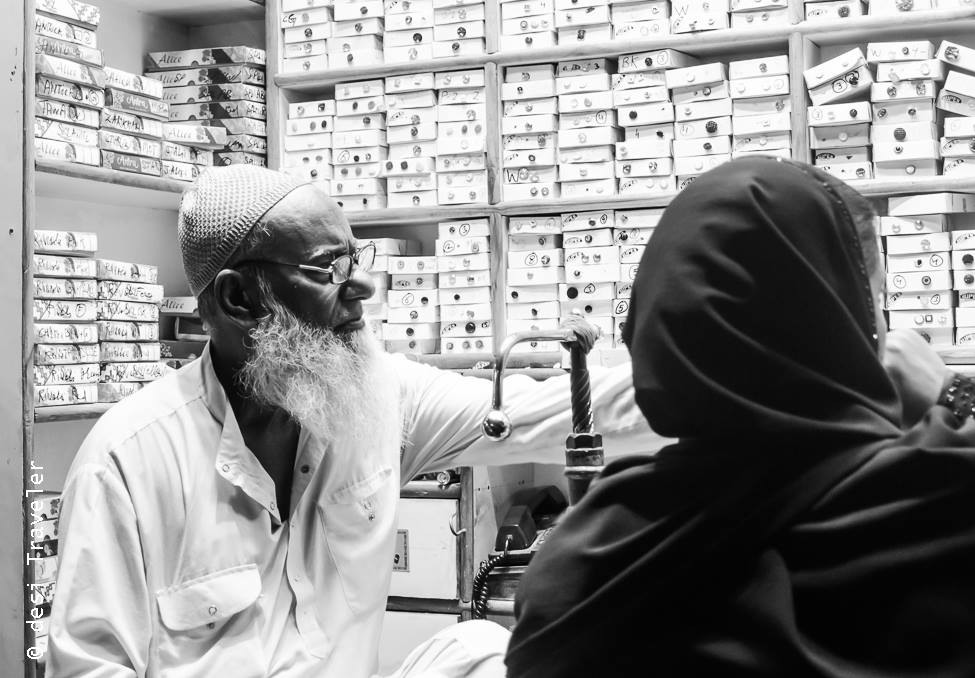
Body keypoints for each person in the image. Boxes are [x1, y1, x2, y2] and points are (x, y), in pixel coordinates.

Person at [47, 166, 665, 678]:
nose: (362, 286)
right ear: (240, 298)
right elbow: (88, 668)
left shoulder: (375, 395)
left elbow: (551, 413)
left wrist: (706, 380)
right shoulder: (127, 460)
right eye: (327, 269)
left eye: (355, 259)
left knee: (477, 650)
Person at [506, 156, 975, 677]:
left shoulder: (582, 564)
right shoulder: (971, 498)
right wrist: (955, 392)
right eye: (876, 300)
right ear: (847, 320)